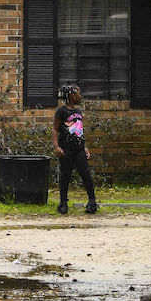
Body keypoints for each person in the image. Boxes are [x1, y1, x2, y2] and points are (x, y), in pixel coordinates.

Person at [53, 84, 98, 215]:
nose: (81, 96)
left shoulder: (78, 112)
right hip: (66, 149)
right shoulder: (61, 112)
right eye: (79, 93)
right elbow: (55, 129)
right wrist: (56, 146)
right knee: (65, 175)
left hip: (79, 149)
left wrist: (85, 148)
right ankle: (63, 202)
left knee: (86, 174)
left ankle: (92, 201)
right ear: (73, 96)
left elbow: (80, 132)